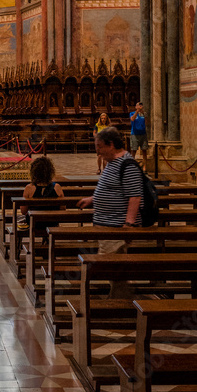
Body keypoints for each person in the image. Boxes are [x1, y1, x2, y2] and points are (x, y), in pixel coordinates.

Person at [77, 127, 144, 297]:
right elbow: (112, 188)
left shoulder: (128, 165)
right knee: (113, 267)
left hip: (117, 228)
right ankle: (120, 298)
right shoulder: (113, 162)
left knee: (110, 266)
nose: (97, 151)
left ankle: (121, 301)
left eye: (99, 147)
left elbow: (135, 196)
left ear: (111, 145)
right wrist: (93, 199)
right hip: (108, 226)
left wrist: (129, 224)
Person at [19, 156, 64, 223]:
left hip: (34, 223)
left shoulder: (29, 188)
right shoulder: (57, 187)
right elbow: (63, 209)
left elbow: (23, 211)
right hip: (52, 223)